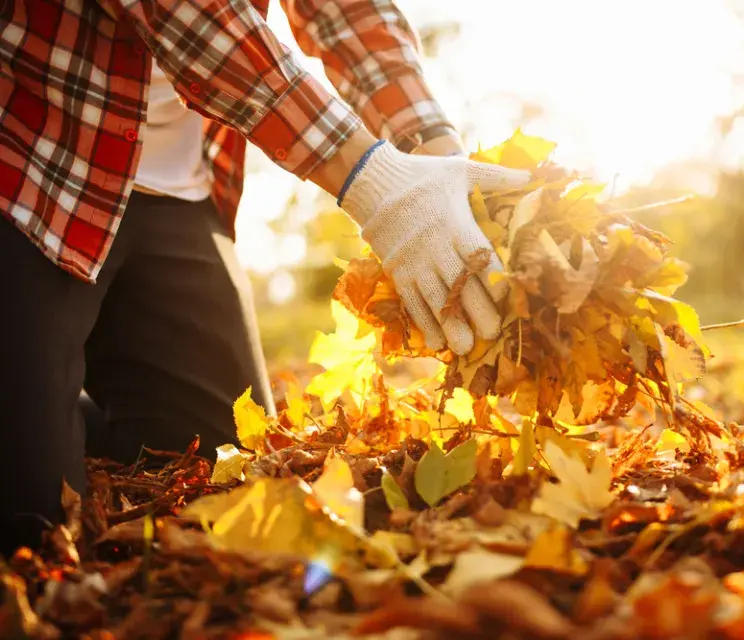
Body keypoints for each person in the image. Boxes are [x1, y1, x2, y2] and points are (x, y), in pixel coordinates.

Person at [0, 0, 529, 555]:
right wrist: (373, 180)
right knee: (31, 527)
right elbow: (188, 13)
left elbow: (348, 12)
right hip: (29, 158)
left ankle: (50, 407)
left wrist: (432, 151)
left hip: (175, 189)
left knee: (214, 470)